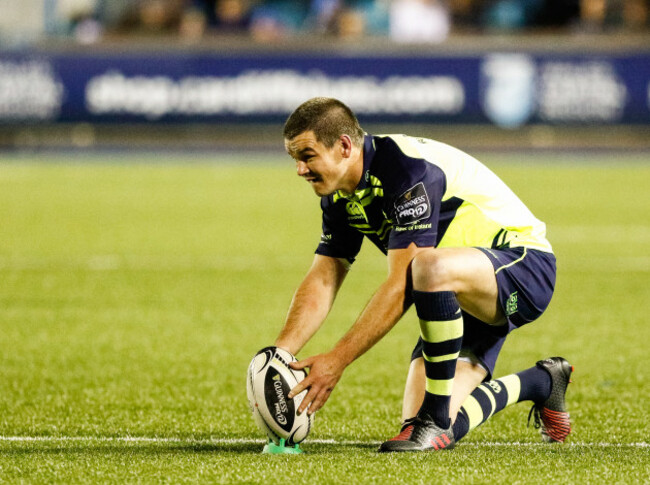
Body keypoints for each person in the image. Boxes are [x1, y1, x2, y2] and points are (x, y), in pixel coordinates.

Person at [274, 97, 572, 452]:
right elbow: (324, 276)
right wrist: (279, 355)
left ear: (343, 146)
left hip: (523, 265)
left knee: (426, 267)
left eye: (307, 156)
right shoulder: (341, 196)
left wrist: (336, 361)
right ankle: (540, 382)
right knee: (423, 430)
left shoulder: (405, 169)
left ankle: (432, 418)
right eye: (295, 160)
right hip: (455, 288)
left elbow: (404, 283)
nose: (300, 170)